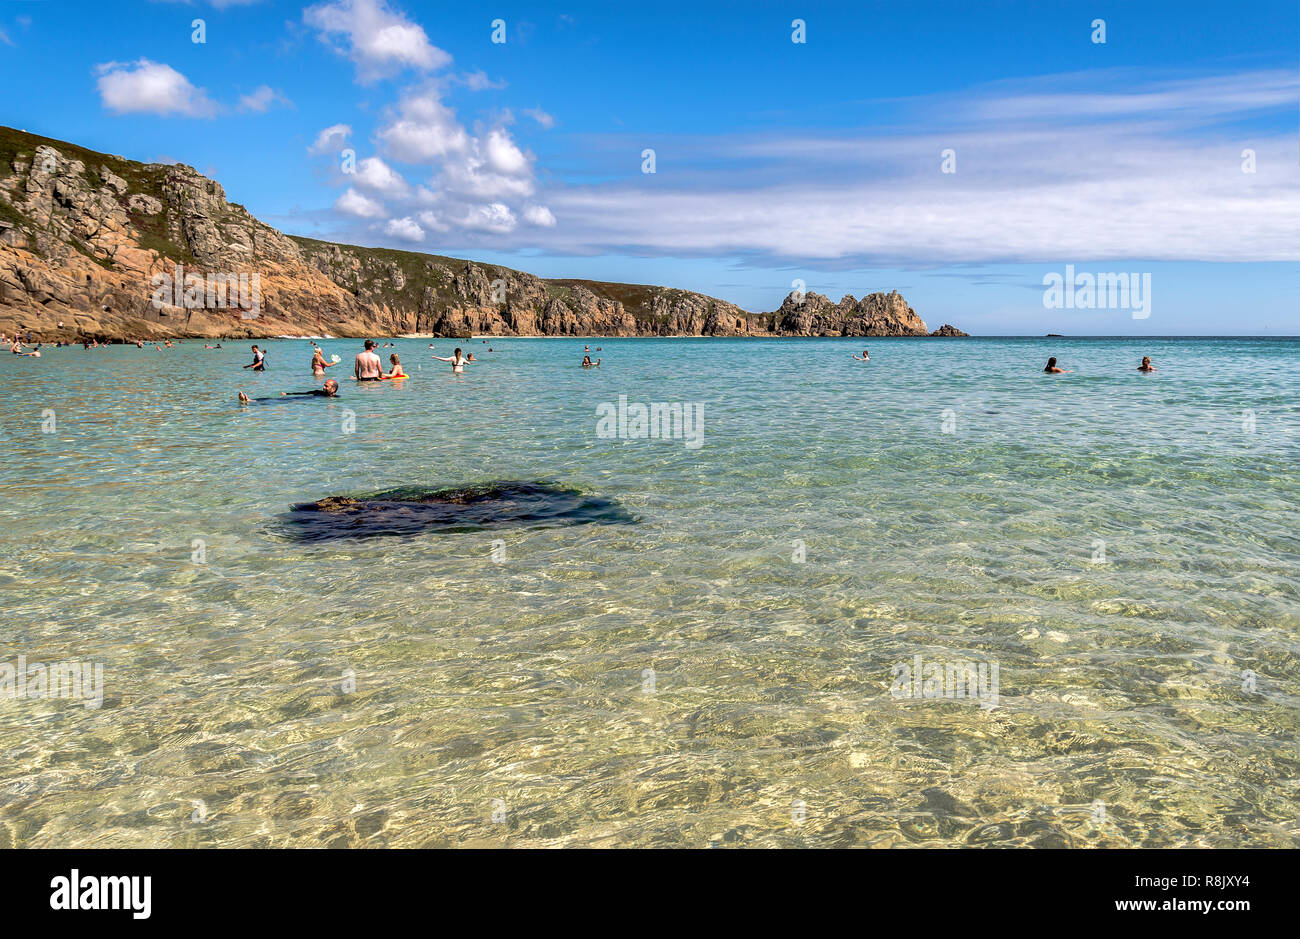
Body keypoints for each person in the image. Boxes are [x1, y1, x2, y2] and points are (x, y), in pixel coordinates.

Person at [239, 379, 340, 404]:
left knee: (276, 402)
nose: (323, 387)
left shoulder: (336, 398)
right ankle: (251, 400)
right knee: (274, 399)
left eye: (326, 386)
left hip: (297, 402)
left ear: (333, 389)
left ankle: (250, 401)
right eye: (324, 385)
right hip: (296, 398)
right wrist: (288, 394)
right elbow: (303, 393)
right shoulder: (318, 392)